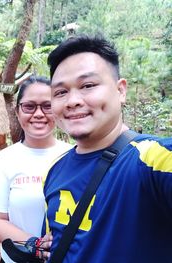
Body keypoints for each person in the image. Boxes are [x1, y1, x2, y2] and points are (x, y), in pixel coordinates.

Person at [44, 35, 172, 262]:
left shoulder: (154, 159)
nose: (72, 101)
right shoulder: (54, 172)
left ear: (121, 90)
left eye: (88, 85)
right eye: (60, 92)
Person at [0, 76, 72, 263]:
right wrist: (36, 245)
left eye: (47, 106)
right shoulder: (5, 159)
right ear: (17, 112)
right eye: (29, 106)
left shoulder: (74, 155)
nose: (38, 114)